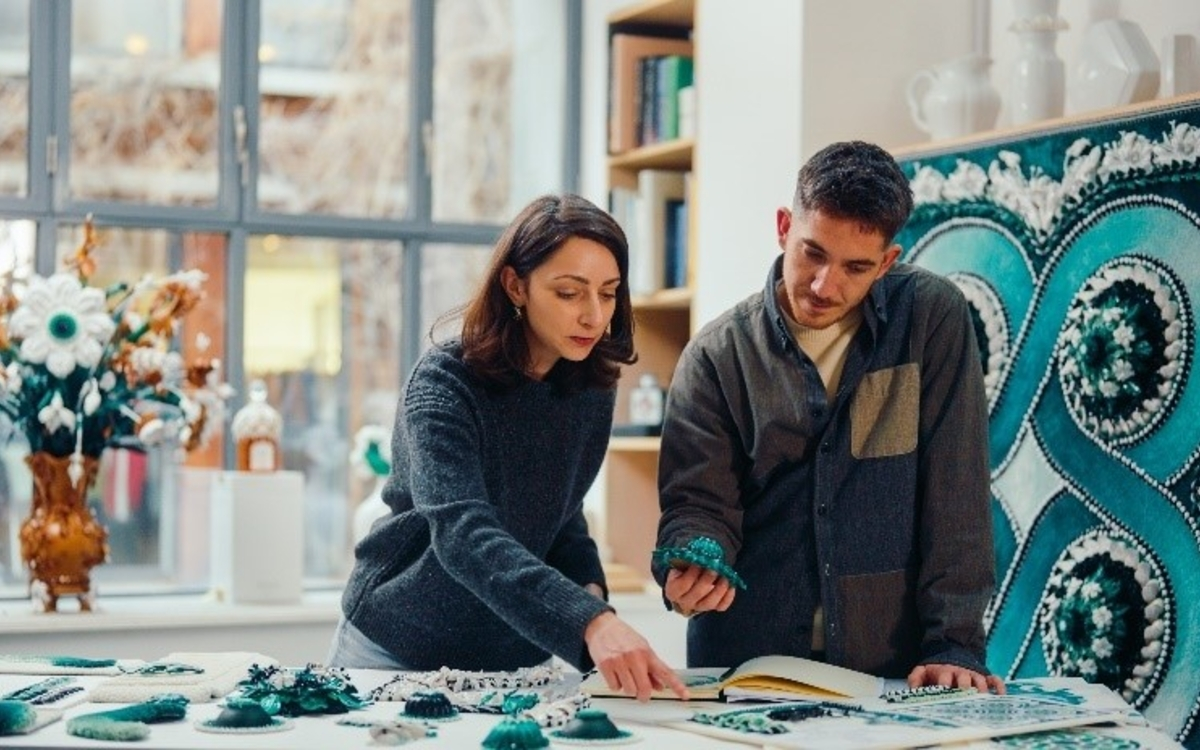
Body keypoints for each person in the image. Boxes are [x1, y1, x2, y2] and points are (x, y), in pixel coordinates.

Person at [654, 141, 1005, 694]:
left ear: (887, 262)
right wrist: (695, 562)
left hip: (893, 667)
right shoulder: (716, 356)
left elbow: (956, 493)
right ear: (783, 227)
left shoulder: (931, 320)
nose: (824, 285)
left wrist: (955, 644)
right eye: (812, 253)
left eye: (855, 267)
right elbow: (697, 505)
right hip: (747, 665)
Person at [331, 193, 687, 701]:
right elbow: (462, 533)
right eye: (569, 293)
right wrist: (590, 622)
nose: (593, 316)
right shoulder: (443, 381)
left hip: (518, 660)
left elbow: (562, 515)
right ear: (515, 285)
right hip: (396, 649)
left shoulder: (591, 385)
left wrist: (589, 591)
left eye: (608, 294)